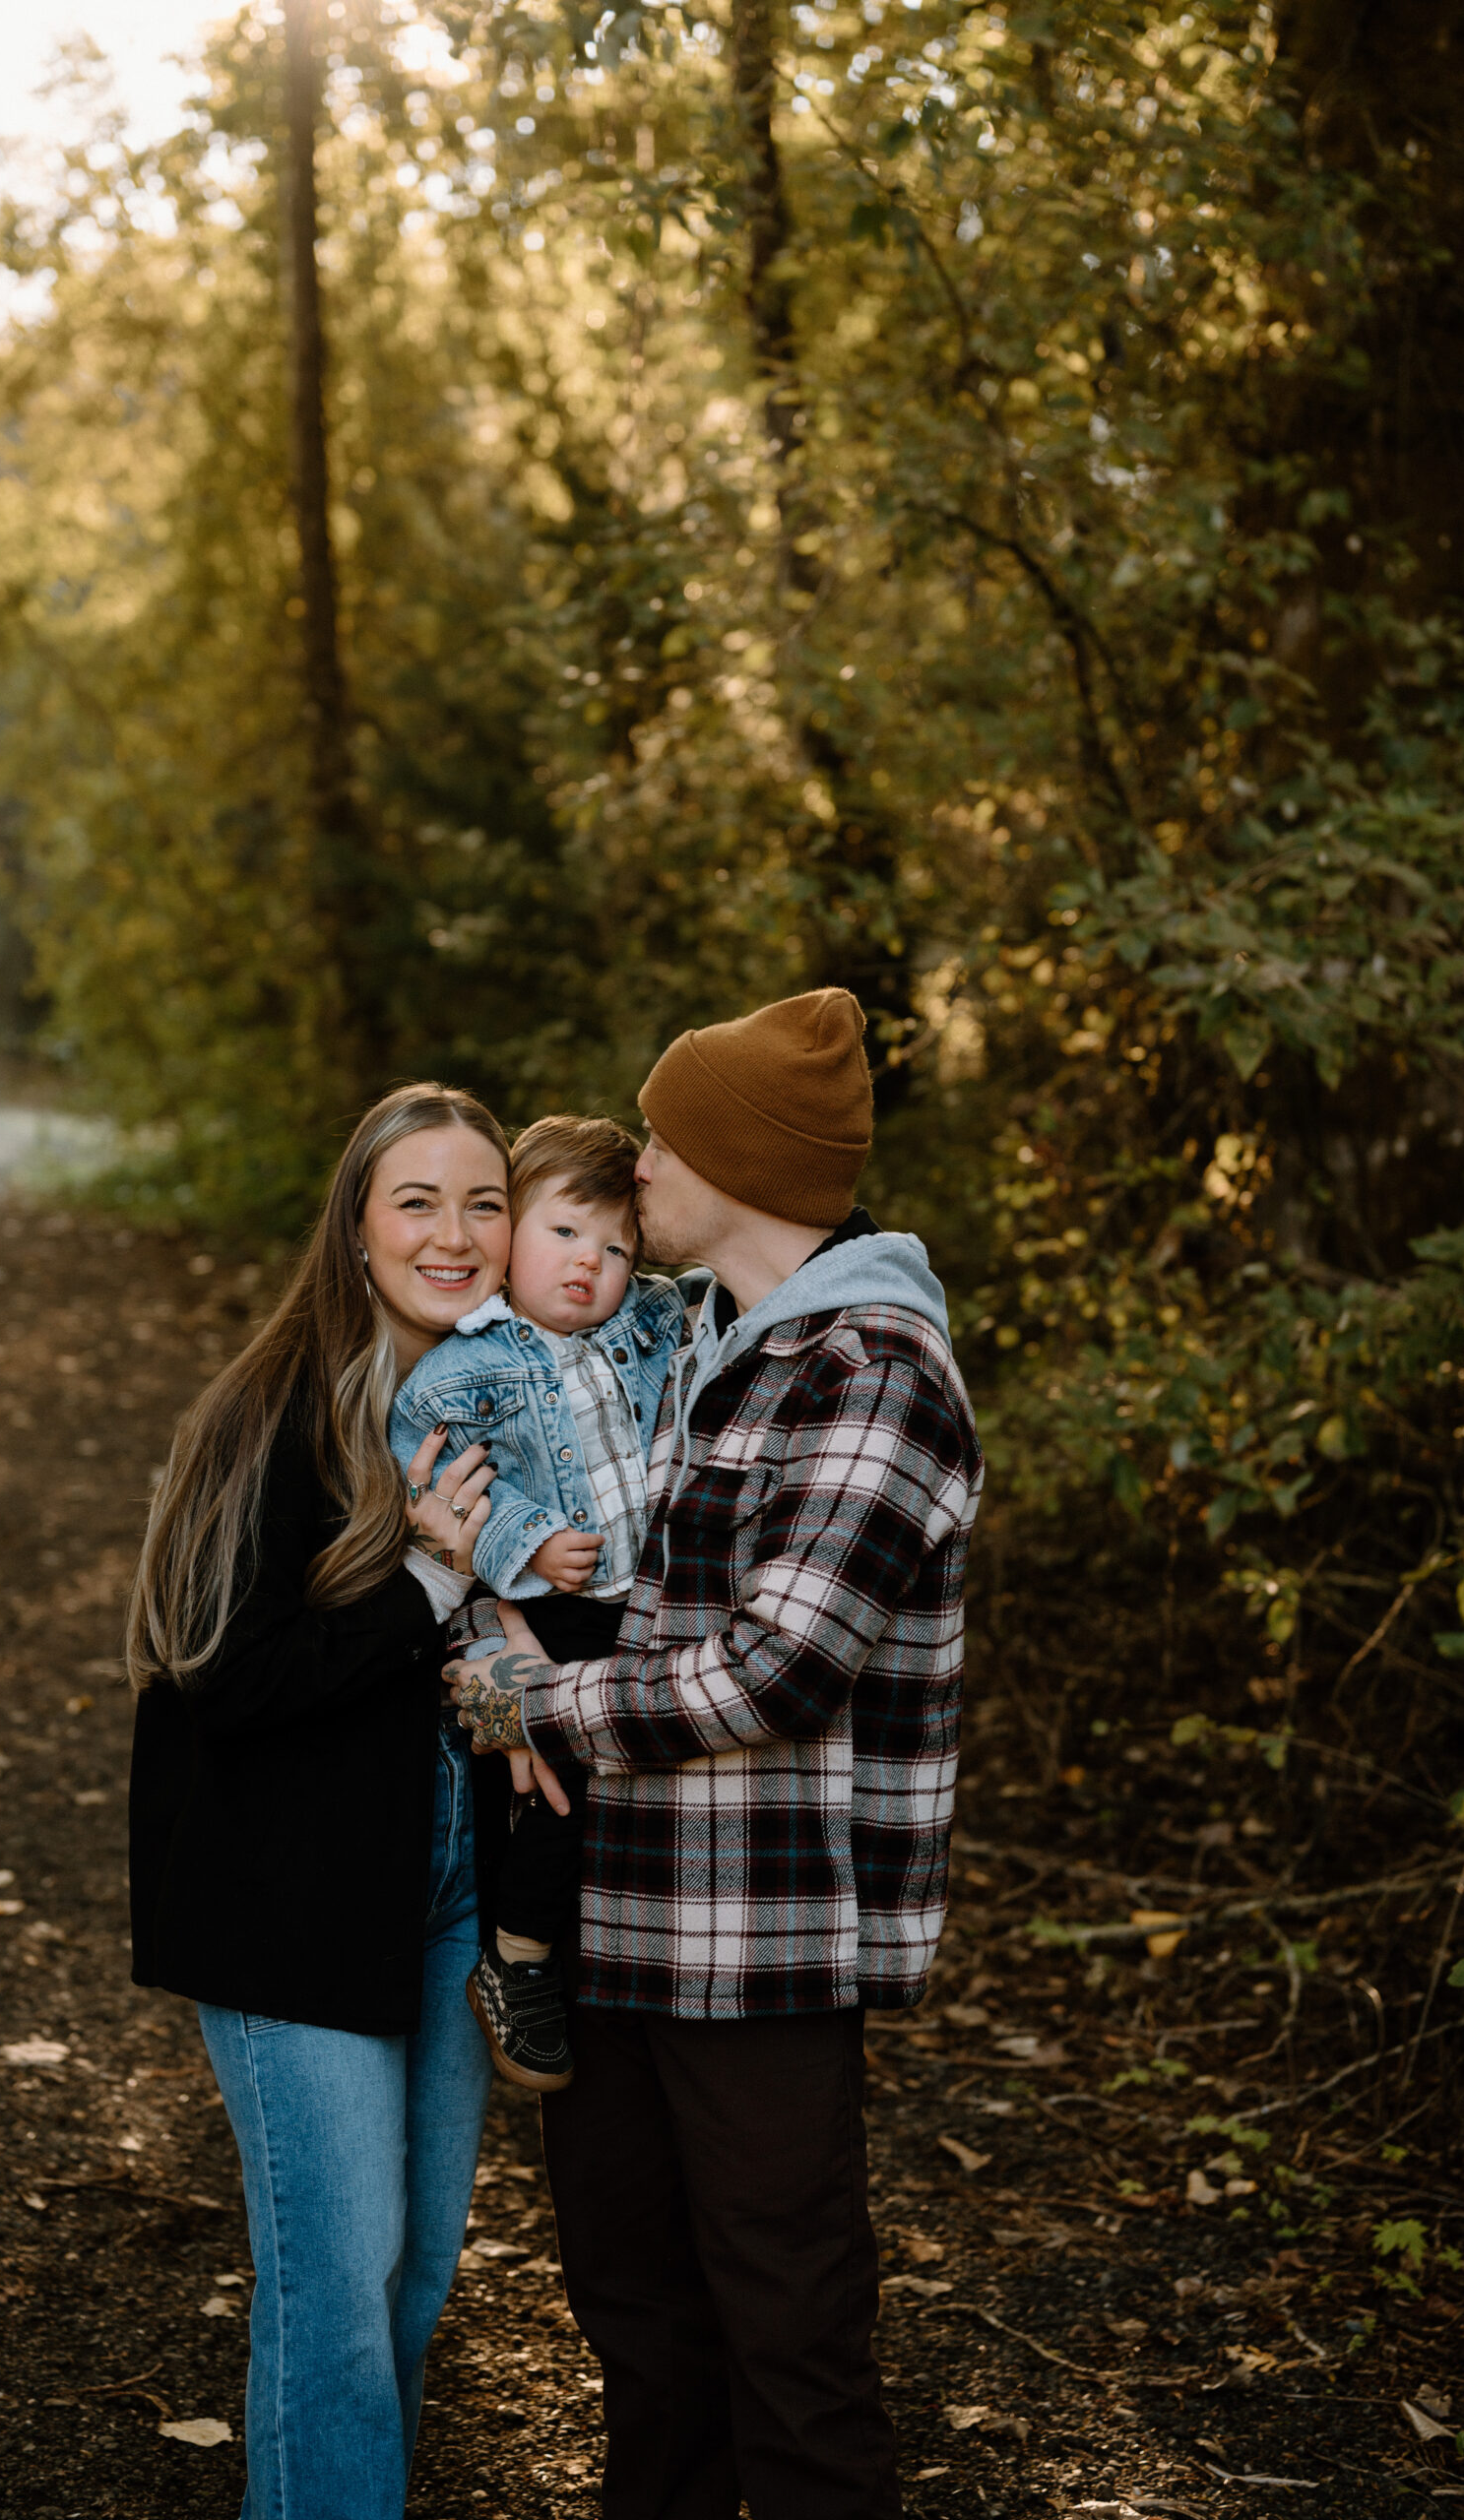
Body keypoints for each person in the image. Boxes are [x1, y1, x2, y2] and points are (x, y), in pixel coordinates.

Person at [449, 988, 985, 2520]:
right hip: (610, 1922)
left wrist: (528, 1709)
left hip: (761, 1948)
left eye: (660, 1140)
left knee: (791, 2350)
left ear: (737, 1163)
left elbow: (775, 1670)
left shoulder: (872, 1373)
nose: (636, 1170)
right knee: (643, 2340)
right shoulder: (685, 1345)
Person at [125, 1082, 520, 2520]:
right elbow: (226, 1674)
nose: (455, 1231)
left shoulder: (507, 1397)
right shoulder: (274, 1410)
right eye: (416, 1200)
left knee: (413, 2282)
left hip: (445, 1896)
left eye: (483, 1201)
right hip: (286, 1898)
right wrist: (422, 1585)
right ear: (355, 1229)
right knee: (336, 2289)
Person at [391, 1114, 690, 2092]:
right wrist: (520, 1536)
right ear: (510, 1231)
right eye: (563, 1233)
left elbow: (710, 1293)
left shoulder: (640, 1324)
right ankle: (514, 1954)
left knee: (604, 1788)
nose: (586, 1264)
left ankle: (563, 1948)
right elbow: (422, 1459)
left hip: (636, 1610)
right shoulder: (469, 1361)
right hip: (552, 1606)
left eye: (612, 1248)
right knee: (550, 1788)